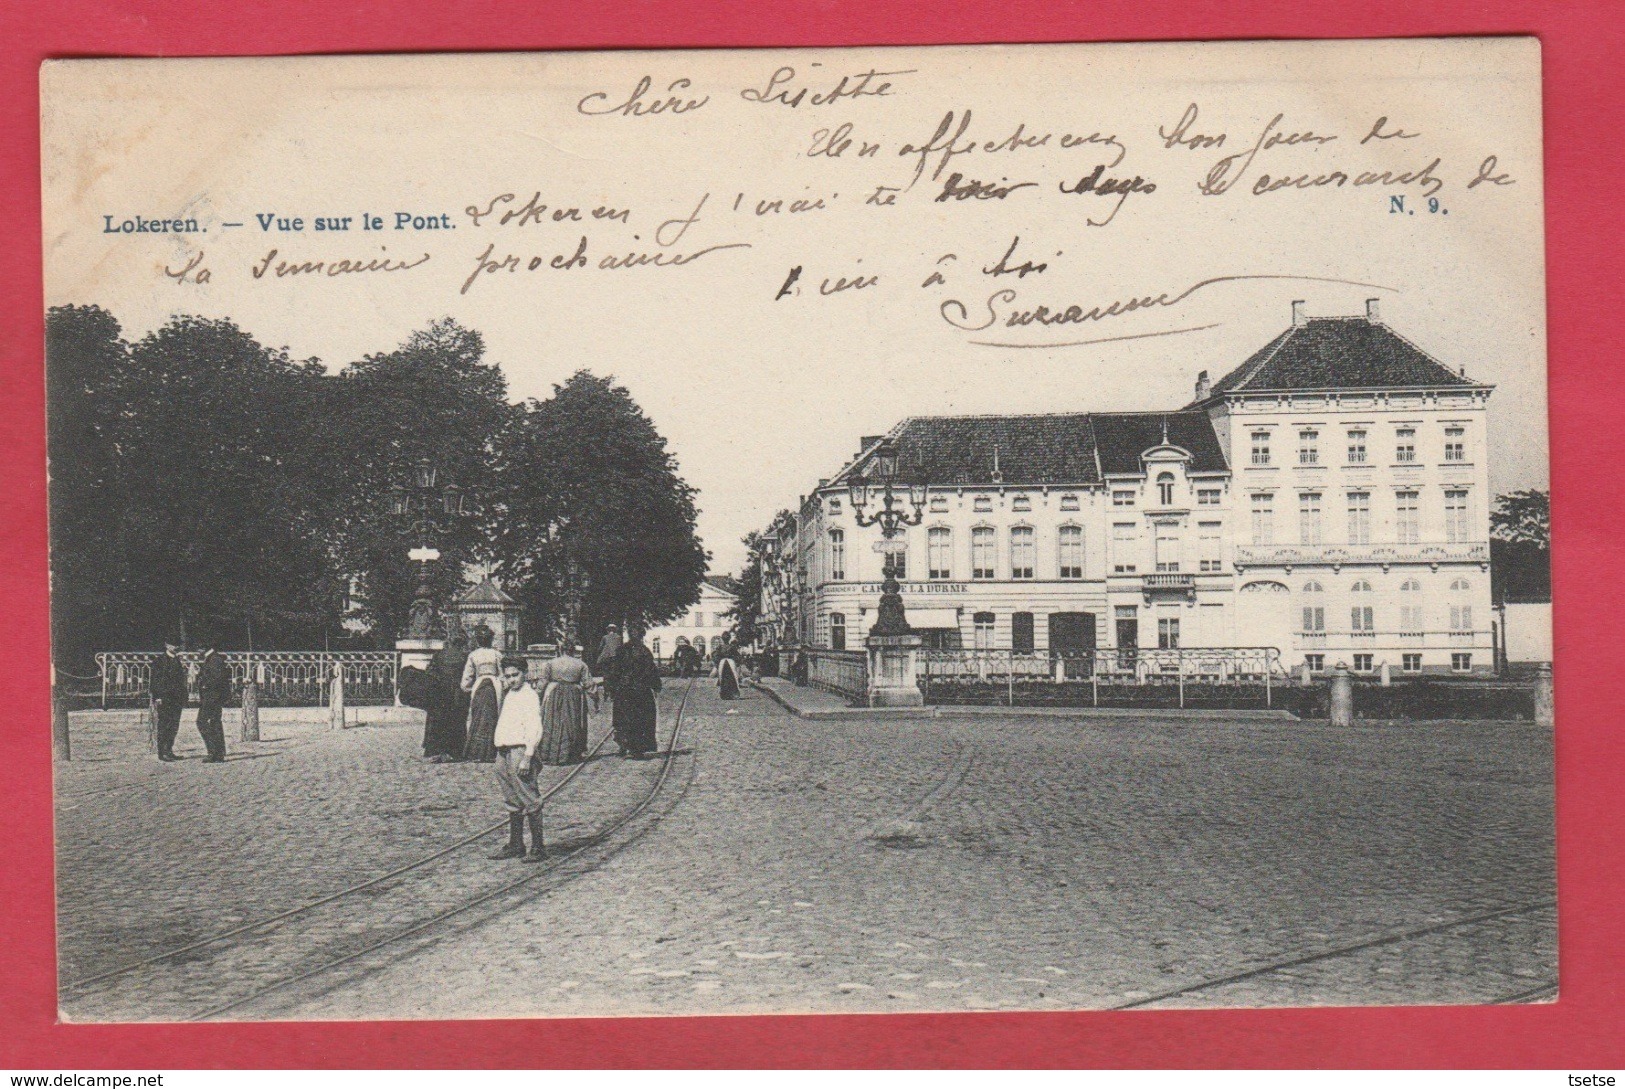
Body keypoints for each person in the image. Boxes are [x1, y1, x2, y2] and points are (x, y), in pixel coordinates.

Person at [488, 656, 546, 862]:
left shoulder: (529, 696)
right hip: (504, 751)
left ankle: (538, 847)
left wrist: (528, 756)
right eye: (508, 676)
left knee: (529, 797)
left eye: (515, 675)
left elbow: (534, 726)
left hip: (521, 750)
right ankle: (516, 844)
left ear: (525, 674)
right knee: (511, 798)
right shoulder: (510, 694)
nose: (511, 679)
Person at [607, 621, 661, 757]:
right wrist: (656, 685)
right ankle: (638, 747)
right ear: (642, 635)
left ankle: (624, 743)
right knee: (642, 718)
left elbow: (614, 670)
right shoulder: (645, 651)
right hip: (641, 690)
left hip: (624, 689)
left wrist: (611, 688)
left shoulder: (621, 650)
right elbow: (651, 670)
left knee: (623, 717)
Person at [535, 642, 593, 765]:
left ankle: (550, 754)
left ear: (561, 650)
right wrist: (594, 698)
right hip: (574, 694)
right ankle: (571, 754)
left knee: (551, 721)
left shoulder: (551, 663)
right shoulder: (581, 664)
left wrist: (538, 695)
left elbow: (543, 681)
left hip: (554, 693)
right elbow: (588, 683)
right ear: (573, 651)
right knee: (573, 722)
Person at [423, 630, 470, 762]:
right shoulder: (464, 657)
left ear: (450, 642)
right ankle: (455, 752)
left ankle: (435, 751)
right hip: (457, 693)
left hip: (440, 692)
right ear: (462, 644)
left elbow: (430, 671)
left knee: (438, 721)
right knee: (457, 721)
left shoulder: (439, 655)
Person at [460, 625, 503, 763]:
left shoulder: (473, 655)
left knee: (477, 717)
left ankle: (477, 751)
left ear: (478, 640)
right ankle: (492, 751)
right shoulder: (497, 654)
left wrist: (466, 687)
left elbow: (468, 676)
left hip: (479, 686)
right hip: (494, 686)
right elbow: (502, 673)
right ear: (491, 640)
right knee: (493, 716)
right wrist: (503, 685)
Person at [149, 641, 188, 762]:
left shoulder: (177, 660)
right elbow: (155, 680)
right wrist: (158, 696)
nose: (175, 647)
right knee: (164, 725)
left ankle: (169, 750)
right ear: (166, 645)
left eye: (177, 645)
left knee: (174, 725)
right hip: (165, 698)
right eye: (172, 644)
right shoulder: (159, 661)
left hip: (176, 698)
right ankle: (162, 752)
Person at [194, 643, 231, 763]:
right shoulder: (213, 658)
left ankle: (213, 751)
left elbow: (216, 679)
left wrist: (203, 682)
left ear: (204, 648)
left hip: (212, 697)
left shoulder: (214, 659)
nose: (197, 651)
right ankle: (218, 753)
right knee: (215, 723)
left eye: (198, 648)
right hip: (214, 697)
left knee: (202, 722)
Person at [715, 634, 742, 700]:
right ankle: (733, 694)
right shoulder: (732, 647)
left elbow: (716, 656)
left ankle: (724, 694)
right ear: (729, 639)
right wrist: (737, 662)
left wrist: (717, 663)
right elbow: (737, 655)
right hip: (731, 663)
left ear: (722, 639)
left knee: (723, 678)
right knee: (732, 678)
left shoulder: (720, 647)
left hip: (722, 663)